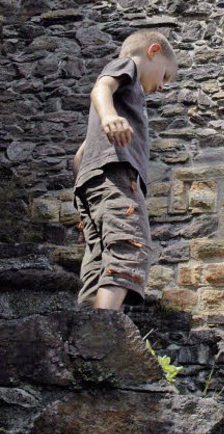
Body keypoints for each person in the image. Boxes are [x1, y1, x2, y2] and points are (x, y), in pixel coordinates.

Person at [74, 29, 177, 311]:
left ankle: (88, 327)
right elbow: (101, 88)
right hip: (117, 176)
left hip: (92, 182)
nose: (163, 86)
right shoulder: (127, 66)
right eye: (165, 75)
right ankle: (105, 326)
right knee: (131, 246)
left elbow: (81, 155)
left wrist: (84, 195)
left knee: (99, 258)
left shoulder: (125, 100)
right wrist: (109, 117)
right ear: (153, 51)